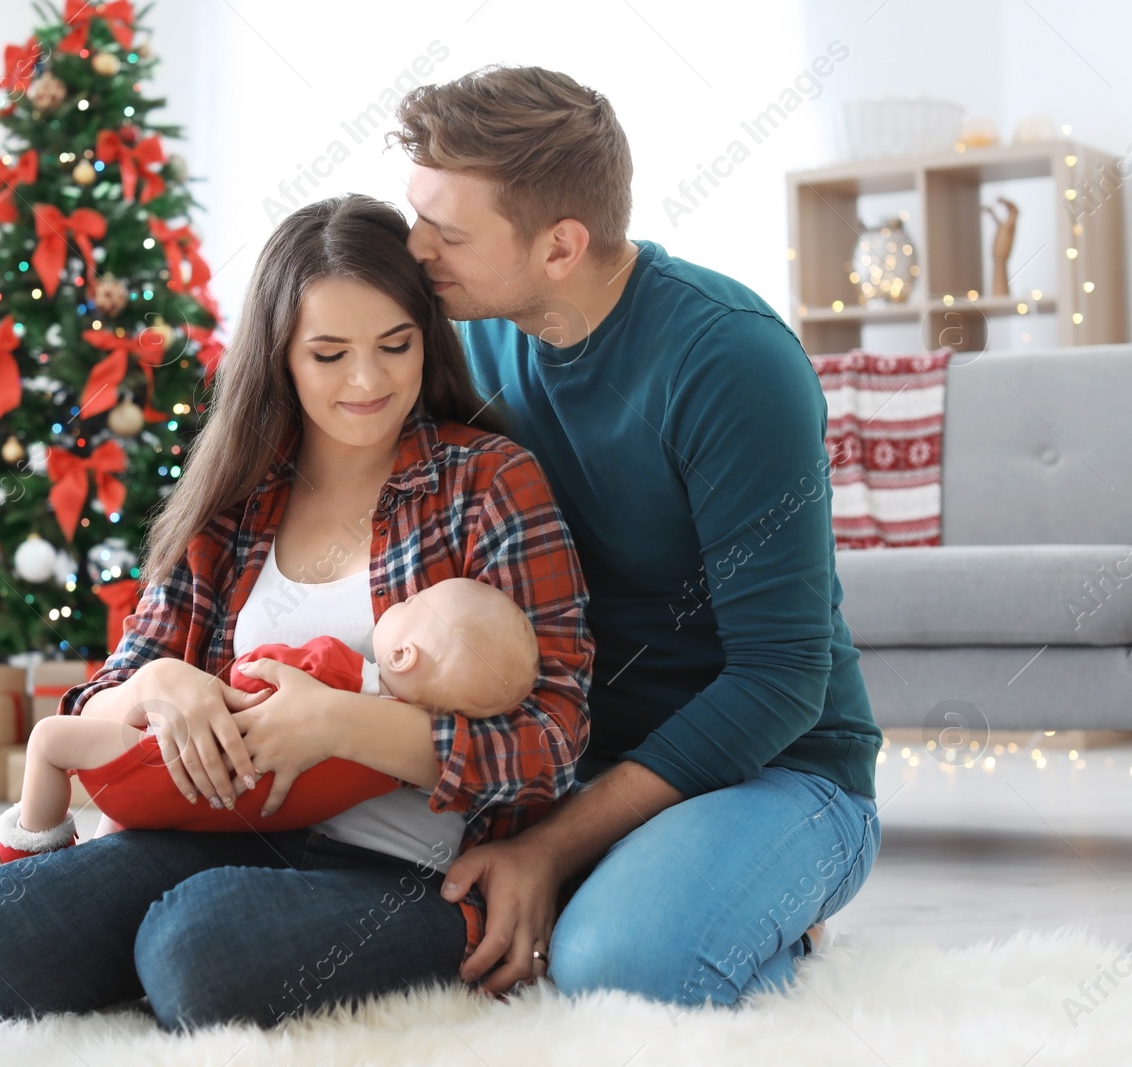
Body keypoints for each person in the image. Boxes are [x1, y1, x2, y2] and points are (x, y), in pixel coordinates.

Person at [0, 193, 593, 1031]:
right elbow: (111, 688)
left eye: (397, 345)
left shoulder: (487, 481)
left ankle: (394, 934)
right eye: (329, 353)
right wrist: (159, 686)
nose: (368, 380)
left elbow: (557, 735)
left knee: (196, 948)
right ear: (278, 356)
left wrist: (343, 725)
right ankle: (172, 922)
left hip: (402, 868)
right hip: (215, 831)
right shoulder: (238, 496)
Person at [390, 65, 884, 1006]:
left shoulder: (730, 359)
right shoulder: (468, 333)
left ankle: (778, 904)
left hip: (780, 769)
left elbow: (781, 678)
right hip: (576, 758)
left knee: (621, 968)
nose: (413, 250)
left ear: (561, 246)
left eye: (446, 232)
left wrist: (550, 845)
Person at [0, 577, 539, 885]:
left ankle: (19, 850)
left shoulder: (335, 668)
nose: (405, 596)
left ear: (404, 654)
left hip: (179, 774)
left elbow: (255, 669)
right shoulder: (393, 770)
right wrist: (152, 678)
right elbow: (122, 677)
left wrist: (228, 680)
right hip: (207, 800)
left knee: (49, 742)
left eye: (415, 600)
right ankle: (69, 867)